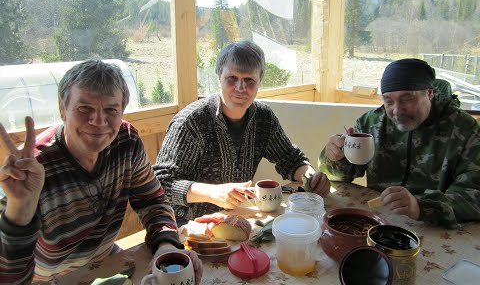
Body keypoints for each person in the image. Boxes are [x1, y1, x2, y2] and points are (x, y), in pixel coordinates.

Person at [0, 60, 202, 284]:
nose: (98, 121)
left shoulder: (126, 140)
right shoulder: (32, 169)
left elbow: (152, 202)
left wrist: (166, 246)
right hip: (46, 279)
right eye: (84, 108)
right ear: (62, 109)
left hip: (104, 260)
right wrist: (19, 209)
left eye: (110, 110)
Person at [154, 40, 330, 221]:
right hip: (186, 225)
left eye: (249, 80)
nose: (240, 88)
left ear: (259, 82)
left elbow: (289, 158)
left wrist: (311, 177)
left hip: (236, 218)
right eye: (232, 78)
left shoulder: (263, 118)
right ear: (219, 77)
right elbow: (160, 183)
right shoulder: (191, 123)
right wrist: (213, 192)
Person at [319, 58, 480, 228]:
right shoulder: (372, 123)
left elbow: (474, 196)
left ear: (430, 93)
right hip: (379, 222)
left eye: (407, 99)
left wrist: (420, 206)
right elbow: (337, 177)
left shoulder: (465, 129)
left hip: (436, 226)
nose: (397, 110)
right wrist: (334, 157)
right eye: (389, 100)